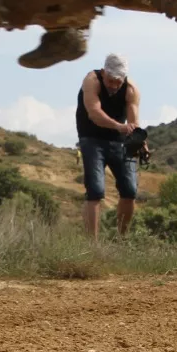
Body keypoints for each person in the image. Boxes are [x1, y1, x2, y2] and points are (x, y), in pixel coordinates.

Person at [76, 53, 142, 238]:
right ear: (104, 72)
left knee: (130, 190)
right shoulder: (92, 80)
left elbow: (133, 122)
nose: (113, 85)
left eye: (118, 82)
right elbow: (94, 113)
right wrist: (119, 126)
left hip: (120, 141)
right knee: (95, 191)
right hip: (91, 138)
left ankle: (121, 239)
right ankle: (93, 246)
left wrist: (139, 141)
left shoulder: (131, 89)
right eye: (110, 80)